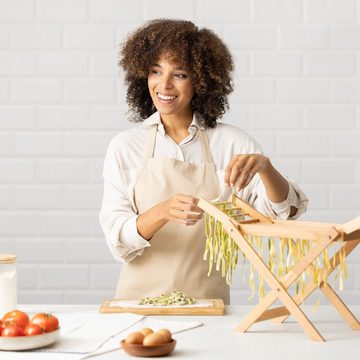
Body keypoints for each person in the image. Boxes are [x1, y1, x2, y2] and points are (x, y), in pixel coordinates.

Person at [99, 19, 308, 304]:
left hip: (209, 305)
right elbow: (118, 240)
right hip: (137, 307)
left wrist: (266, 168)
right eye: (155, 71)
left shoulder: (232, 144)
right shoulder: (125, 147)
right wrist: (161, 212)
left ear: (200, 79)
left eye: (180, 74)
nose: (164, 84)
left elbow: (285, 213)